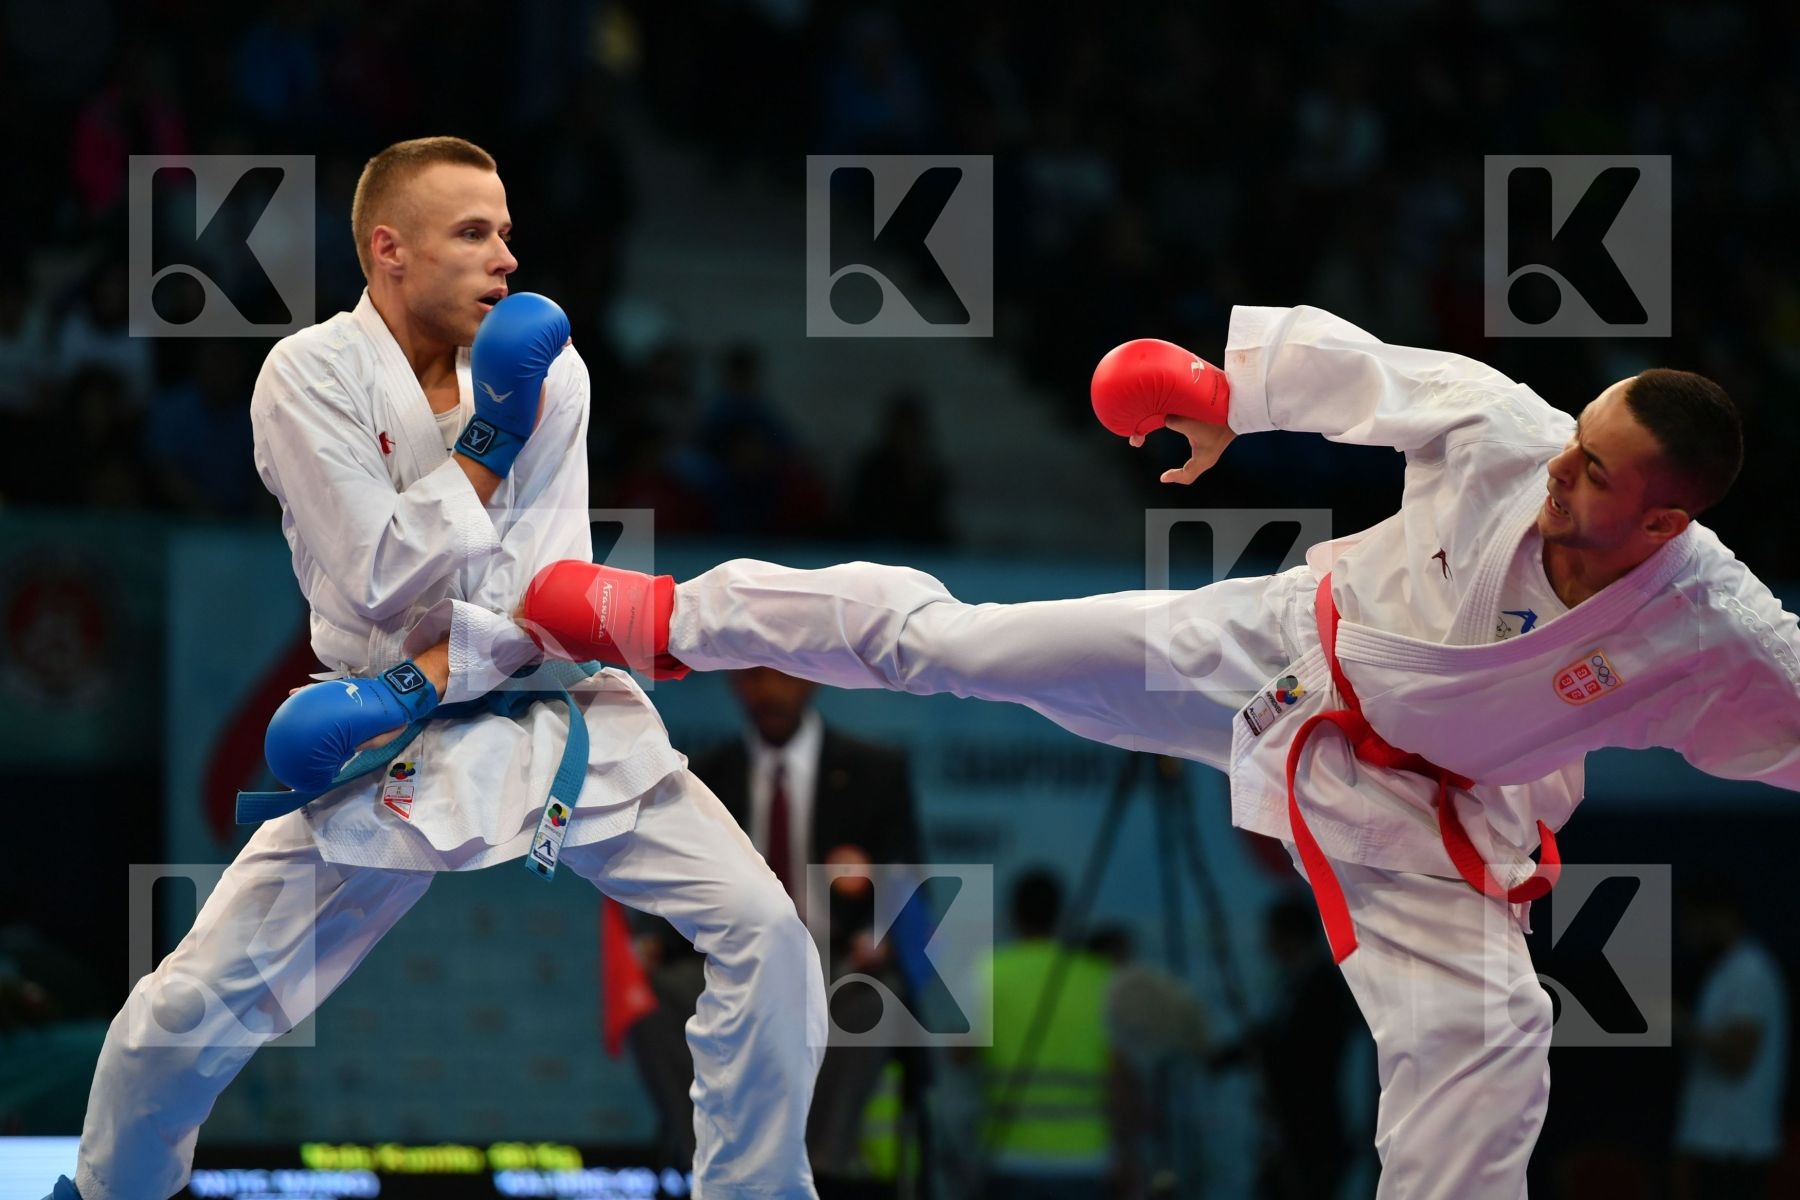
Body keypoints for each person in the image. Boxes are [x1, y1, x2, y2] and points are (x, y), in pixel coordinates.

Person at [517, 304, 1800, 1200]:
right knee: (976, 648)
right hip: (1284, 652)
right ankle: (675, 616)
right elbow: (1368, 379)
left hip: (1443, 815)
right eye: (1575, 442)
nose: (1562, 471)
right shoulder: (1514, 431)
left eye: (1595, 472)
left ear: (1667, 518)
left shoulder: (1719, 625)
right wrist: (1219, 395)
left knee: (1491, 1036)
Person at [46, 137, 825, 1200]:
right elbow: (374, 574)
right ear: (390, 250)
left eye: (508, 232)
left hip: (543, 711)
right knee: (181, 1017)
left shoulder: (551, 363)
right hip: (380, 743)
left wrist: (419, 674)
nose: (507, 257)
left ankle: (756, 1192)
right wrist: (488, 443)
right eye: (473, 234)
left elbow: (544, 596)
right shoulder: (310, 374)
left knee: (768, 933)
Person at [629, 666, 924, 1186]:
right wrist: (653, 940)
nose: (767, 692)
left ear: (812, 679)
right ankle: (713, 1159)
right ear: (733, 685)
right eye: (752, 679)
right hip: (727, 960)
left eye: (780, 678)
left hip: (835, 956)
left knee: (873, 995)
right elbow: (671, 876)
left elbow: (910, 885)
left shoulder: (875, 770)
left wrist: (877, 934)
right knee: (649, 999)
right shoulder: (705, 775)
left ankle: (819, 1164)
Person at [1673, 878, 1790, 1198]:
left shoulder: (1751, 971)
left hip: (1734, 1150)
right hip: (1712, 1147)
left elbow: (1738, 1057)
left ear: (1719, 916)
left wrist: (1678, 1022)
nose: (1688, 933)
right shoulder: (1725, 970)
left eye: (1692, 921)